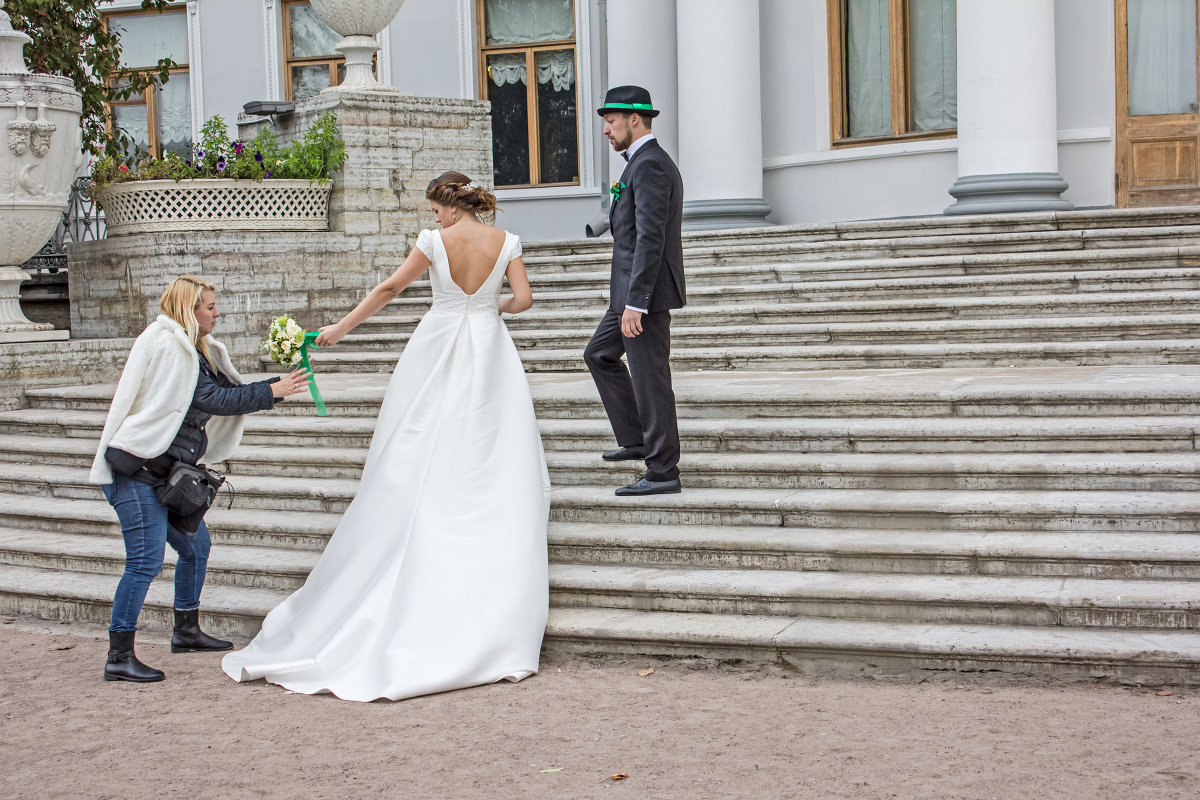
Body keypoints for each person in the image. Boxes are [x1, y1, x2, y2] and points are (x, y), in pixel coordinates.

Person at [222, 172, 551, 702]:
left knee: (416, 437)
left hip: (438, 340)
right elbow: (525, 299)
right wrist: (491, 308)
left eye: (435, 210)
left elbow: (390, 288)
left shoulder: (433, 242)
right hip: (489, 348)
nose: (434, 219)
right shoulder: (504, 242)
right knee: (489, 444)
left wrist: (338, 330)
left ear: (448, 206)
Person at [89, 275, 312, 683]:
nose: (217, 312)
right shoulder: (170, 346)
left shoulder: (197, 351)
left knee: (196, 547)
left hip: (162, 471)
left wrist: (276, 378)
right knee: (144, 562)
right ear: (189, 310)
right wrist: (274, 390)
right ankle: (119, 655)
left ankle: (186, 632)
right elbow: (215, 400)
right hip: (134, 471)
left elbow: (230, 392)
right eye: (210, 306)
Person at [584, 85, 686, 496]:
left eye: (610, 122)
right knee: (599, 354)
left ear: (634, 119)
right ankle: (637, 438)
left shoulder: (650, 166)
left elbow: (651, 240)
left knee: (650, 379)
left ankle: (663, 472)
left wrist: (636, 304)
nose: (606, 130)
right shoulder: (637, 164)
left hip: (642, 296)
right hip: (627, 294)